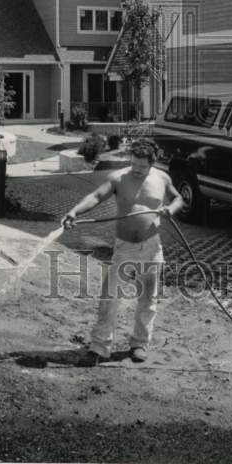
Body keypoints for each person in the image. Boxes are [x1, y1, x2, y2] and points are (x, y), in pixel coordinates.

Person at [62, 137, 184, 365]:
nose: (137, 170)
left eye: (142, 166)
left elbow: (178, 198)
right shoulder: (119, 177)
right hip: (125, 246)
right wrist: (74, 212)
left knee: (148, 298)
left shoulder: (162, 178)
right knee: (110, 297)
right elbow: (96, 196)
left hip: (151, 246)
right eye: (134, 164)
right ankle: (99, 347)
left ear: (151, 163)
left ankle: (139, 344)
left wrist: (171, 209)